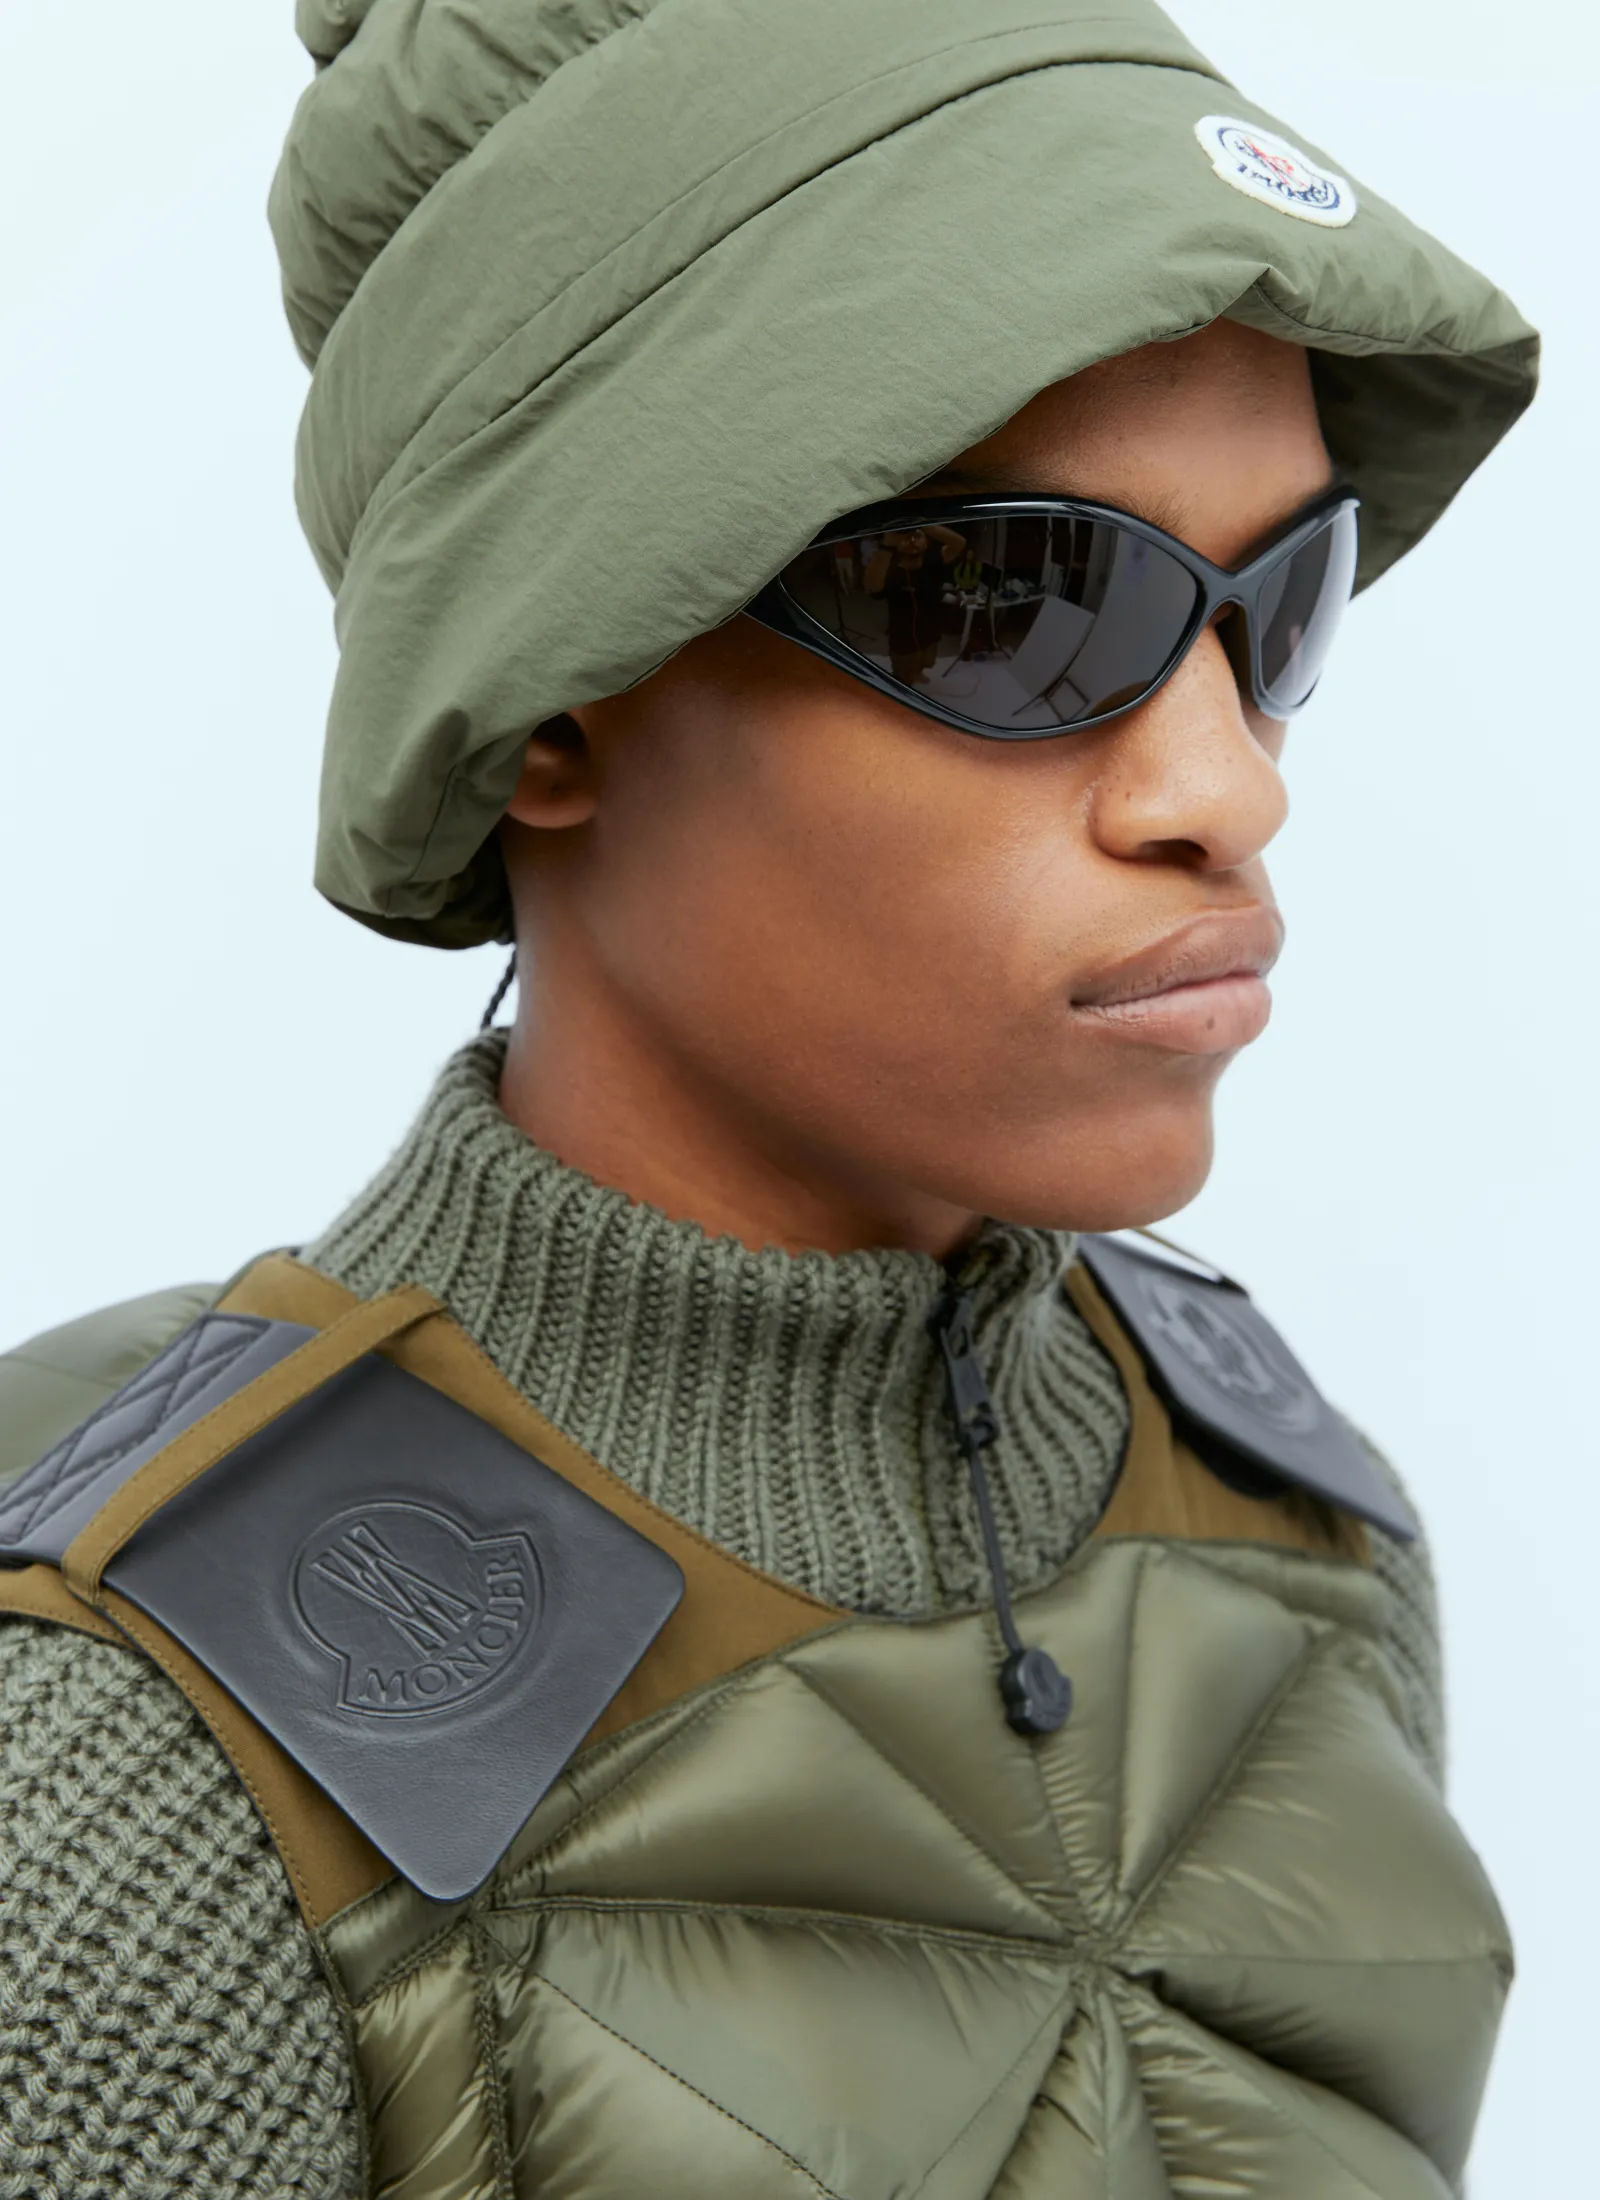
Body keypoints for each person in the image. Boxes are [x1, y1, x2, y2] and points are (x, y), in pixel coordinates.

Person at [0, 4, 1538, 2196]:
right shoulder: (126, 1763)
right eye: (1015, 601)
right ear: (549, 698)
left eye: (1272, 603)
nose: (1227, 784)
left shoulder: (1296, 1533)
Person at [864, 521, 965, 683]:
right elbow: (872, 586)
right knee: (903, 674)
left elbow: (960, 544)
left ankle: (918, 672)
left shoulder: (935, 560)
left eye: (917, 536)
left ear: (926, 542)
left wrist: (924, 524)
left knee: (926, 661)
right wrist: (887, 546)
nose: (912, 540)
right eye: (906, 537)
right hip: (902, 636)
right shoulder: (888, 567)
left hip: (931, 631)